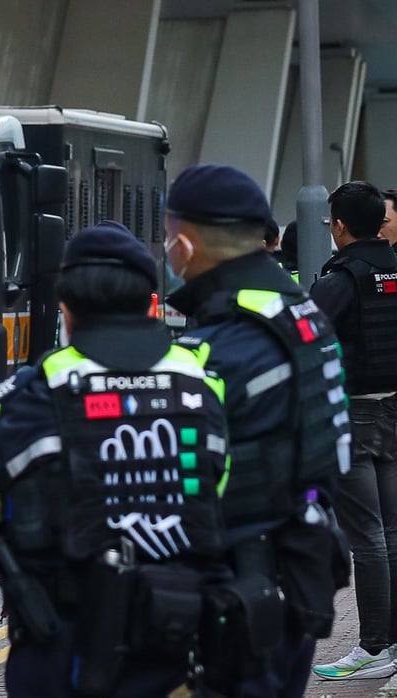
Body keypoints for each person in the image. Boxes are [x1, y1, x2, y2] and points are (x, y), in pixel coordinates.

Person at [0, 220, 233, 697]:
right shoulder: (204, 385)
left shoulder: (13, 400)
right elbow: (215, 489)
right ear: (150, 304)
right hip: (174, 635)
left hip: (58, 642)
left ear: (65, 309)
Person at [163, 164, 351, 696]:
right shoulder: (303, 319)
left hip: (234, 593)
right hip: (299, 569)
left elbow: (182, 484)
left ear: (184, 241)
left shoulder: (218, 350)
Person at [309, 181, 397, 681]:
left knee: (367, 537)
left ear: (339, 225)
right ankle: (391, 643)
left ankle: (373, 646)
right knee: (391, 531)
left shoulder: (340, 278)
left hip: (356, 414)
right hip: (394, 411)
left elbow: (304, 336)